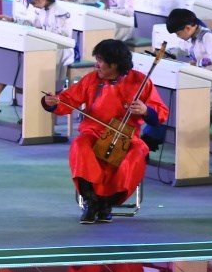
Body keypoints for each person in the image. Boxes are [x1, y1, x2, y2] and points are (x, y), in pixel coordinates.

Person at [42, 39, 168, 224]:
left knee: (135, 154)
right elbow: (67, 101)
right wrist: (52, 103)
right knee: (80, 146)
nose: (96, 65)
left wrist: (145, 110)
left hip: (126, 135)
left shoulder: (140, 81)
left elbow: (160, 114)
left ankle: (107, 203)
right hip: (93, 131)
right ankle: (91, 200)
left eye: (100, 61)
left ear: (114, 64)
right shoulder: (91, 79)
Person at [0, 0, 74, 112]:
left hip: (58, 55)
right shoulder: (41, 11)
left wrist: (43, 35)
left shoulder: (61, 13)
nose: (32, 5)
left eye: (33, 2)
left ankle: (29, 113)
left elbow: (66, 40)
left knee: (23, 65)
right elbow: (34, 25)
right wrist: (13, 20)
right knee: (13, 61)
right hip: (43, 51)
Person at [165, 8, 212, 119]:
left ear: (188, 28)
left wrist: (198, 64)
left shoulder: (206, 36)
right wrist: (167, 53)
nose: (178, 36)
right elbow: (181, 49)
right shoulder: (191, 37)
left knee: (198, 112)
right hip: (202, 79)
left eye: (178, 34)